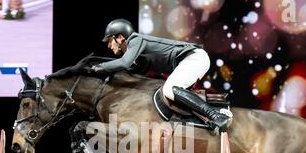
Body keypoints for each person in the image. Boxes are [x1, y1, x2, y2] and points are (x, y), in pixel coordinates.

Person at [91, 19, 231, 132]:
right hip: (191, 60)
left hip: (194, 58)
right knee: (170, 90)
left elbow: (124, 63)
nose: (109, 46)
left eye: (110, 41)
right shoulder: (137, 58)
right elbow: (130, 71)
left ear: (120, 38)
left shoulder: (135, 40)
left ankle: (215, 115)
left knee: (170, 89)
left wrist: (98, 67)